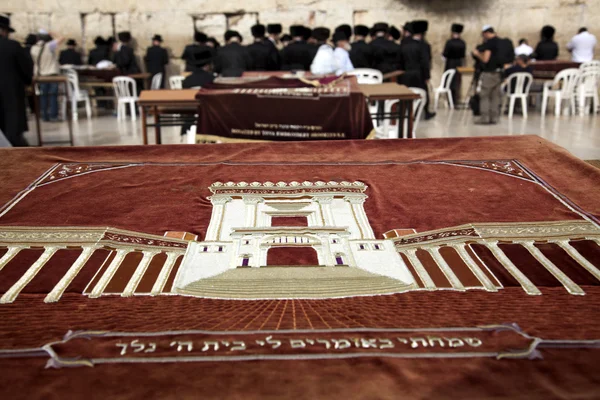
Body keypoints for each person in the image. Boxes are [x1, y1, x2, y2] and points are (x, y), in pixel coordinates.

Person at [0, 14, 33, 146]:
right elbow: (26, 69)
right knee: (12, 130)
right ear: (3, 30)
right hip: (11, 94)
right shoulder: (13, 46)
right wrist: (27, 81)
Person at [30, 29, 64, 122]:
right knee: (53, 96)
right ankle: (53, 116)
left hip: (41, 75)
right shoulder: (49, 46)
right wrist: (52, 32)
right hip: (52, 74)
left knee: (43, 96)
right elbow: (61, 38)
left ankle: (44, 115)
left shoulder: (33, 48)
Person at [472, 25, 503, 124]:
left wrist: (477, 54)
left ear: (486, 33)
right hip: (499, 72)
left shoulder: (489, 43)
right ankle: (494, 117)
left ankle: (484, 118)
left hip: (489, 72)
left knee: (484, 95)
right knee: (495, 96)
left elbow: (485, 59)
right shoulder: (501, 42)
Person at [412, 20, 435, 119]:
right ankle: (426, 112)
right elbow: (425, 62)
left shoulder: (405, 43)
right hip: (419, 74)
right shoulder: (424, 45)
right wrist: (427, 76)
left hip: (407, 73)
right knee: (424, 93)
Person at [443, 23, 466, 105]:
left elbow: (445, 54)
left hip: (450, 63)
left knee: (449, 82)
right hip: (458, 63)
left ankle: (450, 101)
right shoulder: (462, 43)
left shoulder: (449, 42)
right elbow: (463, 55)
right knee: (457, 82)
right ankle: (456, 100)